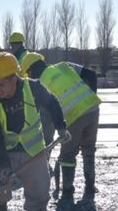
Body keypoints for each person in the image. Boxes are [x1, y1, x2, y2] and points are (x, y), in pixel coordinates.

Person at [0, 51, 66, 211]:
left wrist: (61, 127)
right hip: (4, 150)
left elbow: (52, 103)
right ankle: (0, 209)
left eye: (1, 84)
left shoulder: (33, 88)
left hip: (32, 150)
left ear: (15, 79)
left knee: (39, 190)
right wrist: (3, 164)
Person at [24, 53, 100, 202]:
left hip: (73, 116)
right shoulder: (65, 66)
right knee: (89, 149)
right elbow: (91, 75)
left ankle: (67, 190)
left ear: (31, 71)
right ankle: (90, 186)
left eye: (27, 73)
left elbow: (45, 116)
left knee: (67, 155)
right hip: (93, 108)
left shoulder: (41, 84)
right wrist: (89, 97)